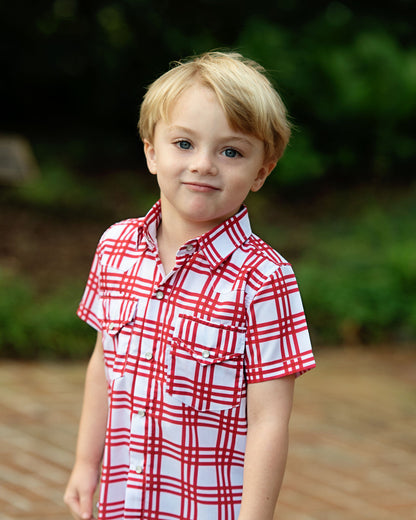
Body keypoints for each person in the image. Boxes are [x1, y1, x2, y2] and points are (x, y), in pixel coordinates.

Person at [64, 51, 315, 520]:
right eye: (184, 143)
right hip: (125, 499)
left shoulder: (263, 278)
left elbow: (268, 420)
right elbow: (103, 366)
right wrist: (84, 463)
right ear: (151, 151)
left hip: (208, 506)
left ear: (262, 170)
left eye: (231, 151)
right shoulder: (115, 246)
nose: (203, 164)